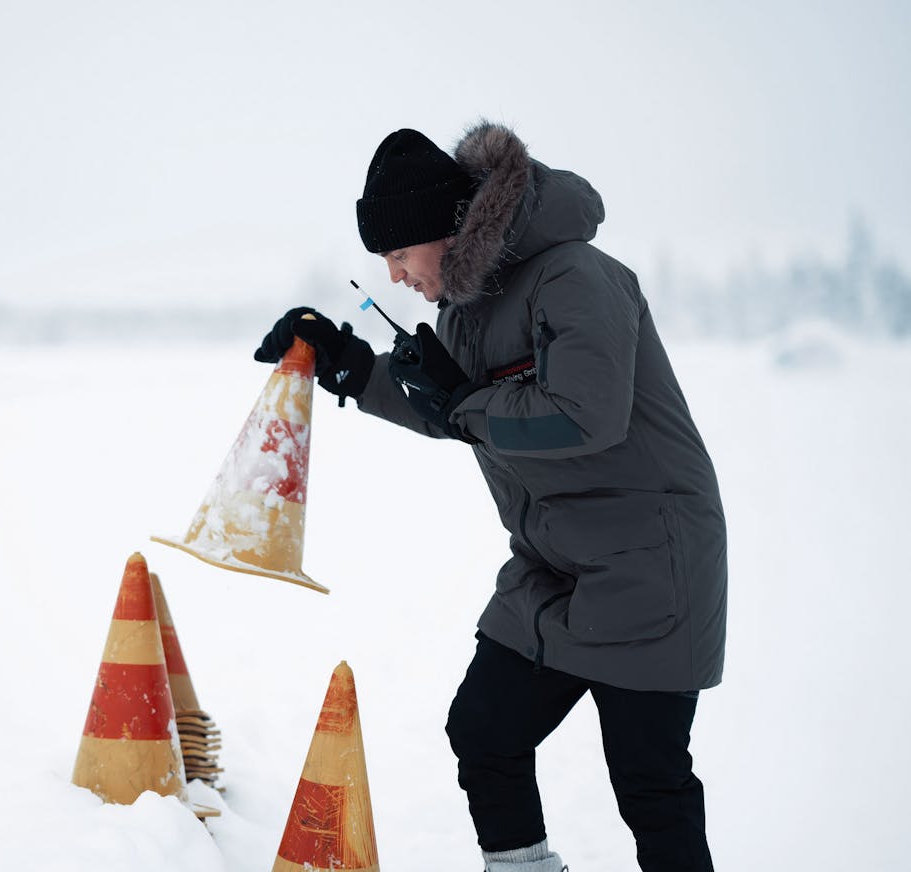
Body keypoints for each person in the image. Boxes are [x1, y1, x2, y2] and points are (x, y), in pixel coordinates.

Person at [255, 123, 727, 872]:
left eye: (400, 256)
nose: (397, 276)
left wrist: (464, 406)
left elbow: (583, 413)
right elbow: (457, 408)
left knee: (651, 787)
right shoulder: (466, 309)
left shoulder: (576, 276)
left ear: (441, 232)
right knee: (483, 731)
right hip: (551, 566)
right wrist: (348, 364)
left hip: (649, 570)